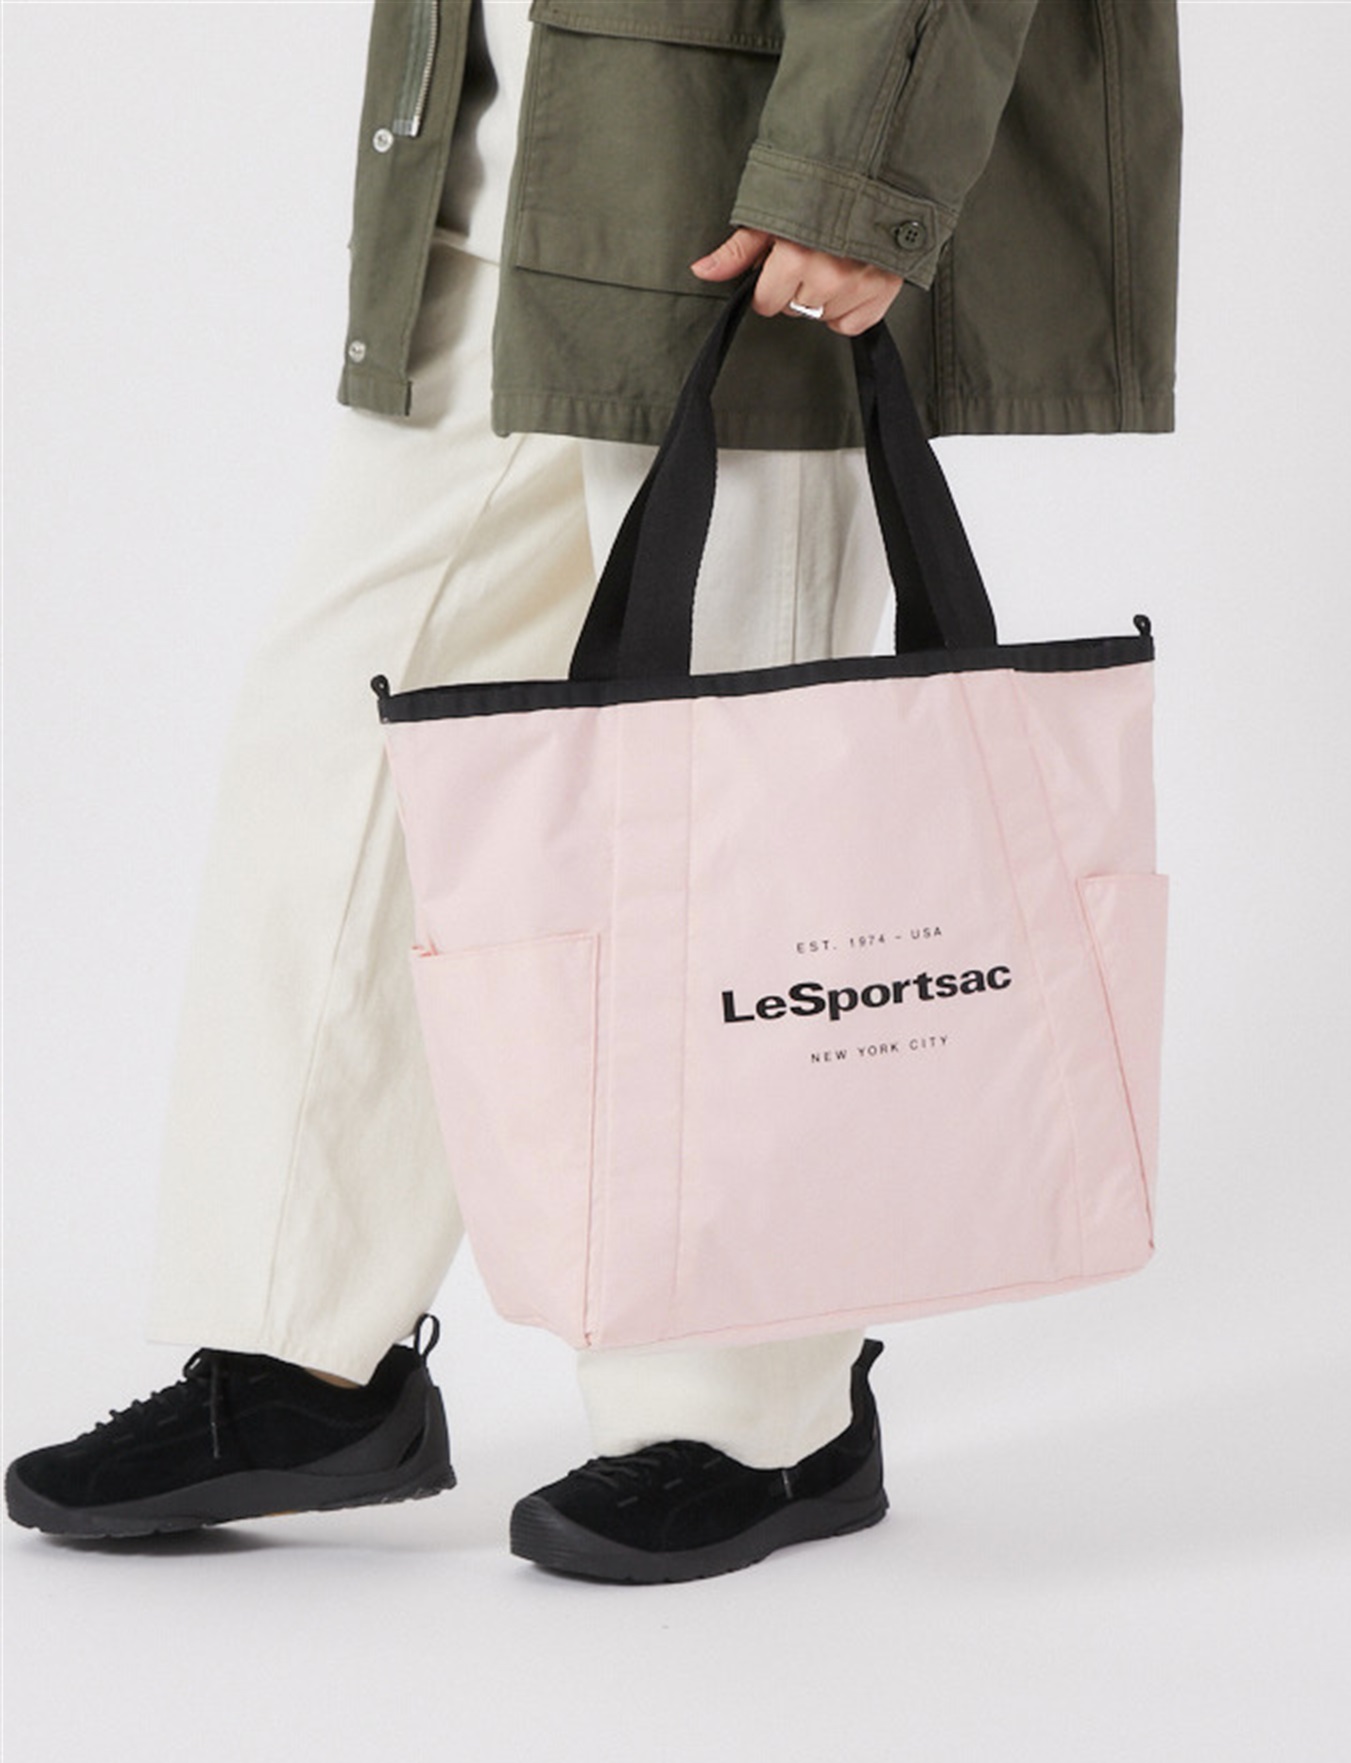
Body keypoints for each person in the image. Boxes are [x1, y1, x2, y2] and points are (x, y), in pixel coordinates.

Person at [5, 0, 1182, 1582]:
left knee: (749, 798)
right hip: (507, 157)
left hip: (741, 164)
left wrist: (860, 170)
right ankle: (297, 1352)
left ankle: (760, 1417)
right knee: (340, 746)